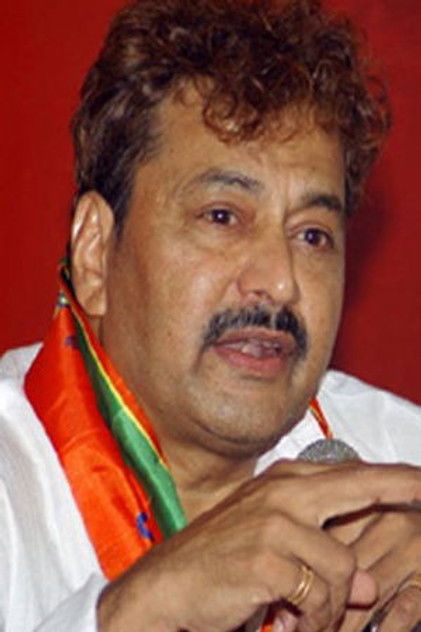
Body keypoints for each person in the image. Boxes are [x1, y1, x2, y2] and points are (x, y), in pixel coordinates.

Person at [0, 0, 420, 630]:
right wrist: (134, 612)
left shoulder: (401, 457)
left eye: (312, 235)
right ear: (94, 252)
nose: (280, 281)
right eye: (222, 217)